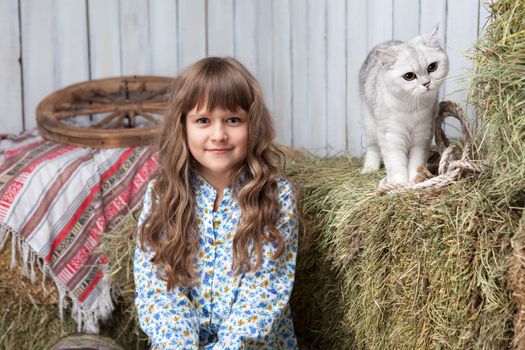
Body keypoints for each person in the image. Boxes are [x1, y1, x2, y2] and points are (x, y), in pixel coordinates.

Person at [134, 57, 299, 349]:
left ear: (253, 125)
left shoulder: (275, 196)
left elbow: (262, 294)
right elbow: (157, 289)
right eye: (203, 121)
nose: (219, 134)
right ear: (183, 127)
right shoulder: (162, 194)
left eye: (233, 120)